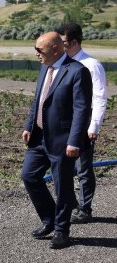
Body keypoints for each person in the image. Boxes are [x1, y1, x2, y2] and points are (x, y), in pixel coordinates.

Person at [21, 32, 92, 249]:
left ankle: (62, 230)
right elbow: (38, 101)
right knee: (29, 176)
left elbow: (81, 110)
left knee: (62, 186)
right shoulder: (45, 68)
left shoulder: (78, 71)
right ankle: (49, 219)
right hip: (40, 137)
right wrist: (29, 125)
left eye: (39, 50)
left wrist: (74, 141)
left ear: (55, 49)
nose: (36, 54)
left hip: (63, 140)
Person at [59, 23, 108, 224]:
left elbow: (99, 97)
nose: (59, 46)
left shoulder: (91, 65)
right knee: (64, 167)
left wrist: (93, 126)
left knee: (83, 168)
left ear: (74, 42)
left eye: (63, 43)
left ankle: (85, 209)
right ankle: (70, 204)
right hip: (63, 124)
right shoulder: (62, 63)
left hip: (83, 124)